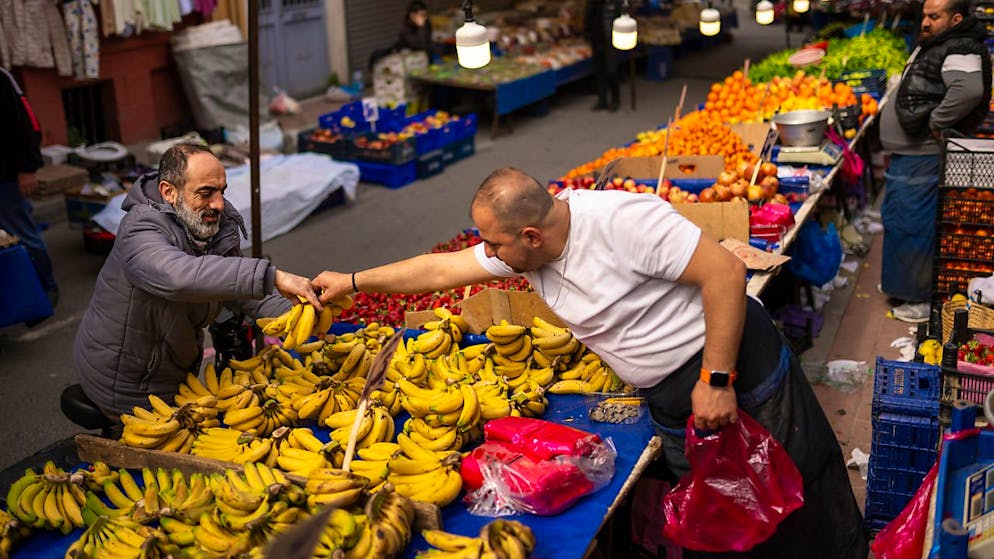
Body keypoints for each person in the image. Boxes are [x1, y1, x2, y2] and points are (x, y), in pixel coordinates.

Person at [313, 168, 868, 557]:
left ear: (530, 235)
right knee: (724, 511)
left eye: (495, 244)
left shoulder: (620, 222)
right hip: (675, 399)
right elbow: (440, 271)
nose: (489, 254)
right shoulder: (526, 252)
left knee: (794, 495)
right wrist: (355, 281)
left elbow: (723, 274)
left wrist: (715, 379)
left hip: (736, 371)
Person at [73, 143, 320, 418]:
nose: (219, 204)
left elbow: (234, 288)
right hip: (125, 380)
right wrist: (272, 276)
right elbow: (178, 276)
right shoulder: (140, 228)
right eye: (206, 193)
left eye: (221, 191)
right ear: (169, 191)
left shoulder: (212, 223)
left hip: (174, 369)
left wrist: (301, 310)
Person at [880, 0, 991, 323]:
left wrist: (936, 121)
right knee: (900, 219)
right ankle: (902, 285)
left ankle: (917, 298)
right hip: (909, 154)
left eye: (934, 16)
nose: (925, 22)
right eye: (925, 15)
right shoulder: (941, 43)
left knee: (913, 224)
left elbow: (970, 90)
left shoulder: (961, 46)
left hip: (921, 154)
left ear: (955, 19)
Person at [0, 67, 59, 318]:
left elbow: (28, 124)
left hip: (6, 177)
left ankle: (46, 287)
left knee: (22, 232)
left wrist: (27, 169)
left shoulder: (2, 79)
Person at [585, 0, 620, 112]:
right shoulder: (592, 3)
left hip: (610, 42)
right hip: (596, 41)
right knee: (599, 72)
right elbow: (587, 20)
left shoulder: (614, 3)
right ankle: (602, 100)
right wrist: (588, 35)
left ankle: (615, 100)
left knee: (611, 71)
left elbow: (620, 18)